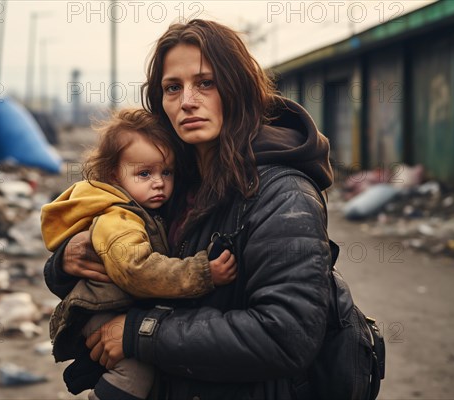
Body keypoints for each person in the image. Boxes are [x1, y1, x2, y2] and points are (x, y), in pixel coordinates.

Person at [45, 19, 335, 399]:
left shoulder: (284, 195)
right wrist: (65, 262)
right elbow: (131, 265)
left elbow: (285, 335)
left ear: (238, 88)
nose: (187, 101)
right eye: (172, 88)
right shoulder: (169, 182)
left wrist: (139, 334)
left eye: (205, 83)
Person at [41, 108, 236, 400]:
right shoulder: (117, 218)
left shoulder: (145, 207)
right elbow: (138, 271)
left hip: (117, 306)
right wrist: (203, 272)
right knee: (134, 374)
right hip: (101, 310)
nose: (158, 182)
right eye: (144, 173)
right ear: (113, 175)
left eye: (166, 172)